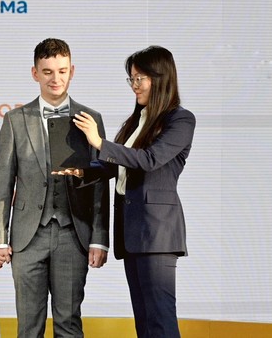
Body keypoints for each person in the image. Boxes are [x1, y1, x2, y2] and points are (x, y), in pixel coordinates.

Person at [65, 45, 195, 337]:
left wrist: (99, 142)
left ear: (160, 78)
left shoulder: (181, 120)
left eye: (140, 78)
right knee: (144, 321)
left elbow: (149, 160)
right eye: (131, 79)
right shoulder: (137, 120)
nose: (134, 85)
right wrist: (80, 172)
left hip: (157, 234)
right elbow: (118, 166)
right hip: (132, 232)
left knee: (160, 319)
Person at [0, 38, 110, 338]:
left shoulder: (90, 119)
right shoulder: (15, 120)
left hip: (73, 234)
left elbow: (99, 186)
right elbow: (3, 182)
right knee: (28, 327)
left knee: (69, 324)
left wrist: (99, 239)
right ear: (35, 73)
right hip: (27, 237)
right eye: (47, 72)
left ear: (72, 71)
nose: (56, 78)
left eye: (62, 71)